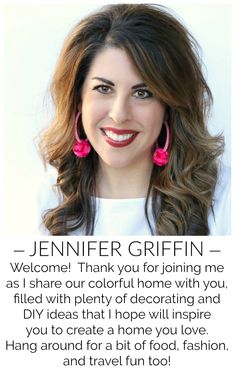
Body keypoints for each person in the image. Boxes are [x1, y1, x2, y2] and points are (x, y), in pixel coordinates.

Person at [38, 3, 230, 236]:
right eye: (103, 88)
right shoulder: (47, 198)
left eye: (143, 93)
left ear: (170, 105)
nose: (119, 115)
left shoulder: (223, 196)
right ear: (78, 99)